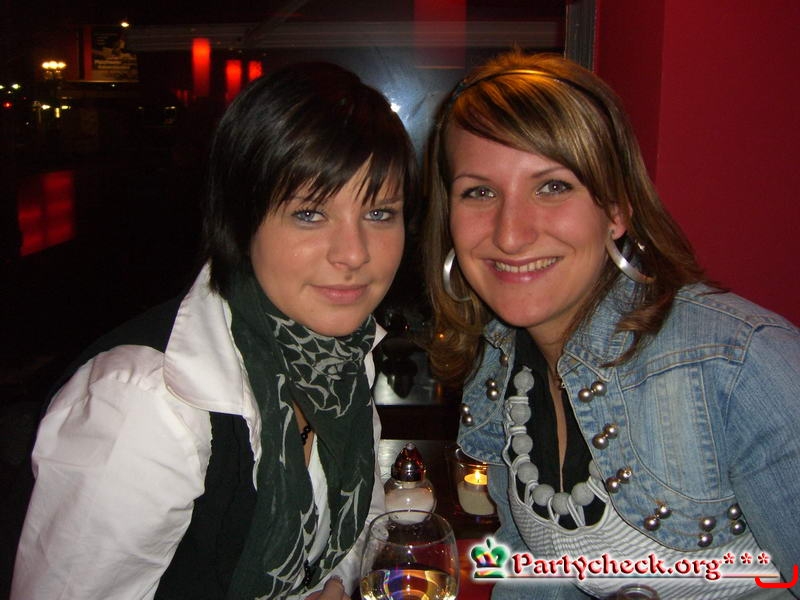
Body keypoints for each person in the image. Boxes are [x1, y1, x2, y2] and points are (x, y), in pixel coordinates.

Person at [11, 61, 417, 600]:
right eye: (310, 214)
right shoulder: (145, 402)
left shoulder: (340, 355)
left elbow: (350, 528)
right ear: (241, 220)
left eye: (380, 213)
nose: (354, 254)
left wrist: (337, 583)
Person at [423, 50, 800, 599]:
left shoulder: (740, 364)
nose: (510, 234)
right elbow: (536, 576)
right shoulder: (498, 367)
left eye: (553, 186)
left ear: (617, 208)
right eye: (479, 192)